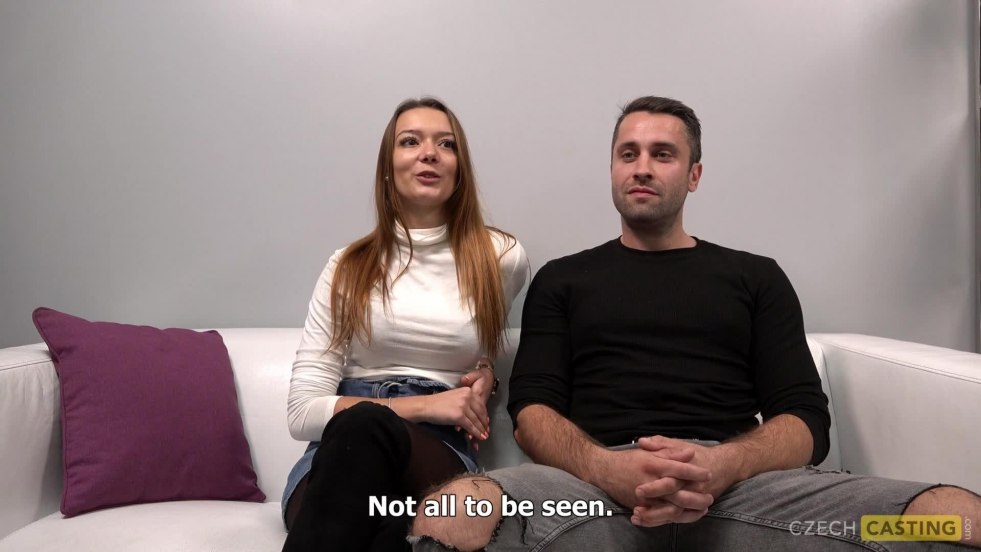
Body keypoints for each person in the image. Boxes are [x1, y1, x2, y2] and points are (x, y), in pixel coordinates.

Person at [409, 96, 981, 551]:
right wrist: (609, 469)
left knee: (951, 520)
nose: (642, 167)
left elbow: (807, 420)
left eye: (663, 154)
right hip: (586, 498)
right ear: (612, 169)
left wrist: (720, 465)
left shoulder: (755, 277)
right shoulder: (562, 279)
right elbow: (532, 412)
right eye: (628, 154)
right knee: (451, 515)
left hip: (745, 498)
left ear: (694, 174)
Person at [281, 97, 530, 552]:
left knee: (373, 502)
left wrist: (486, 375)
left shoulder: (500, 257)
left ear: (459, 169)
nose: (429, 153)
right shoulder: (347, 266)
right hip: (340, 455)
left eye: (446, 144)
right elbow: (302, 412)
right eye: (410, 142)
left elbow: (482, 348)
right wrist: (427, 406)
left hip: (436, 456)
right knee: (370, 471)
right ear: (387, 167)